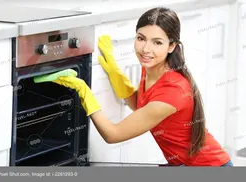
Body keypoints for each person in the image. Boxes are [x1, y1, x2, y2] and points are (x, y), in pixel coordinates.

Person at [53, 7, 233, 166]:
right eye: (141, 38)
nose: (146, 49)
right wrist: (116, 74)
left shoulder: (173, 91)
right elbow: (142, 105)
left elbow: (113, 134)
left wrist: (84, 91)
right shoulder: (153, 67)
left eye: (157, 42)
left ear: (172, 46)